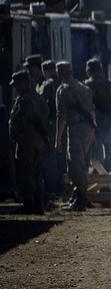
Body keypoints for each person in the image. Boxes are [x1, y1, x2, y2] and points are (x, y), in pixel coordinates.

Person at [54, 61, 95, 212]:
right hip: (88, 129)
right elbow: (92, 112)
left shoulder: (62, 90)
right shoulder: (84, 88)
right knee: (84, 163)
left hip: (76, 129)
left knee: (75, 165)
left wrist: (57, 138)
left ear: (59, 73)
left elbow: (61, 116)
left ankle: (81, 200)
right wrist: (94, 134)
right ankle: (78, 196)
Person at [8, 70, 49, 214]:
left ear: (24, 83)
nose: (15, 88)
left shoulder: (22, 100)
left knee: (25, 171)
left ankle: (28, 205)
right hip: (39, 138)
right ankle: (39, 205)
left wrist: (12, 136)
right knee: (37, 172)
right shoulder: (40, 99)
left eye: (16, 84)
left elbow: (13, 123)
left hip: (25, 138)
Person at [84, 58, 111, 173]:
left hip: (92, 125)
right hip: (110, 124)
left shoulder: (85, 87)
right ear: (101, 71)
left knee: (97, 154)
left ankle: (99, 182)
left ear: (88, 72)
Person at [37, 60, 62, 204]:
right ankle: (60, 188)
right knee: (61, 155)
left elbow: (42, 106)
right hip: (61, 123)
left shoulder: (47, 84)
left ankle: (51, 190)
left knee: (50, 156)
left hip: (50, 123)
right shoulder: (61, 83)